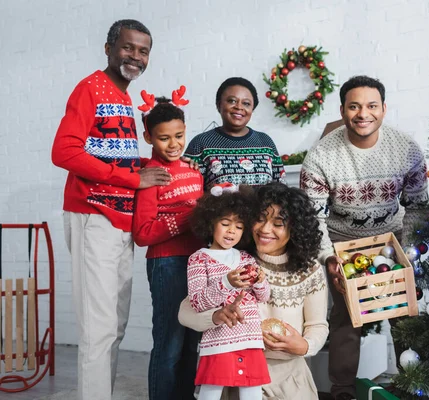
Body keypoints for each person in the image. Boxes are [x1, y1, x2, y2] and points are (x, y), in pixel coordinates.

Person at [51, 19, 171, 400]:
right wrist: (134, 180)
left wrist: (143, 167)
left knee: (114, 326)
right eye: (128, 47)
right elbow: (65, 152)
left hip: (119, 223)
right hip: (93, 217)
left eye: (143, 50)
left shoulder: (122, 97)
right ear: (108, 48)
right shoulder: (90, 88)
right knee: (98, 329)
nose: (135, 56)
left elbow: (106, 154)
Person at [300, 75, 429, 400]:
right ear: (342, 110)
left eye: (371, 106)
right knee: (346, 318)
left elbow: (417, 208)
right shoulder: (320, 157)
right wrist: (330, 258)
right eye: (354, 106)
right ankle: (342, 392)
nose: (363, 113)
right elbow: (313, 218)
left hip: (391, 242)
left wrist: (408, 255)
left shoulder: (406, 149)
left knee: (403, 316)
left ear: (383, 109)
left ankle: (413, 386)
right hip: (343, 246)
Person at [179, 183, 328, 400]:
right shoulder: (232, 260)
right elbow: (185, 313)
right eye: (260, 219)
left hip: (290, 378)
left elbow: (317, 325)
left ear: (295, 229)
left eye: (278, 224)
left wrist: (304, 346)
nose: (265, 230)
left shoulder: (310, 270)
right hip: (235, 370)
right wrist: (216, 316)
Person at [132, 89, 203, 400]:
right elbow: (143, 234)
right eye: (164, 138)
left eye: (179, 135)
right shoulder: (150, 176)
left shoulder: (193, 170)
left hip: (198, 264)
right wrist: (187, 217)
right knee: (170, 341)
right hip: (167, 264)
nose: (173, 144)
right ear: (149, 137)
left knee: (193, 341)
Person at [187, 184, 271, 400]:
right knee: (210, 392)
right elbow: (197, 303)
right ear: (210, 222)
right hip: (218, 341)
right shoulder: (199, 258)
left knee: (252, 393)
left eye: (239, 226)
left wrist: (261, 281)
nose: (232, 231)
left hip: (250, 338)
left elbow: (263, 297)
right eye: (225, 224)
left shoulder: (246, 258)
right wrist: (227, 282)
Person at [184, 77, 286, 191]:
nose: (239, 107)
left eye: (246, 103)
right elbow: (187, 190)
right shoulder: (201, 143)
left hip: (264, 209)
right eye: (232, 101)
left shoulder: (265, 142)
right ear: (219, 105)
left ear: (253, 109)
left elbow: (281, 189)